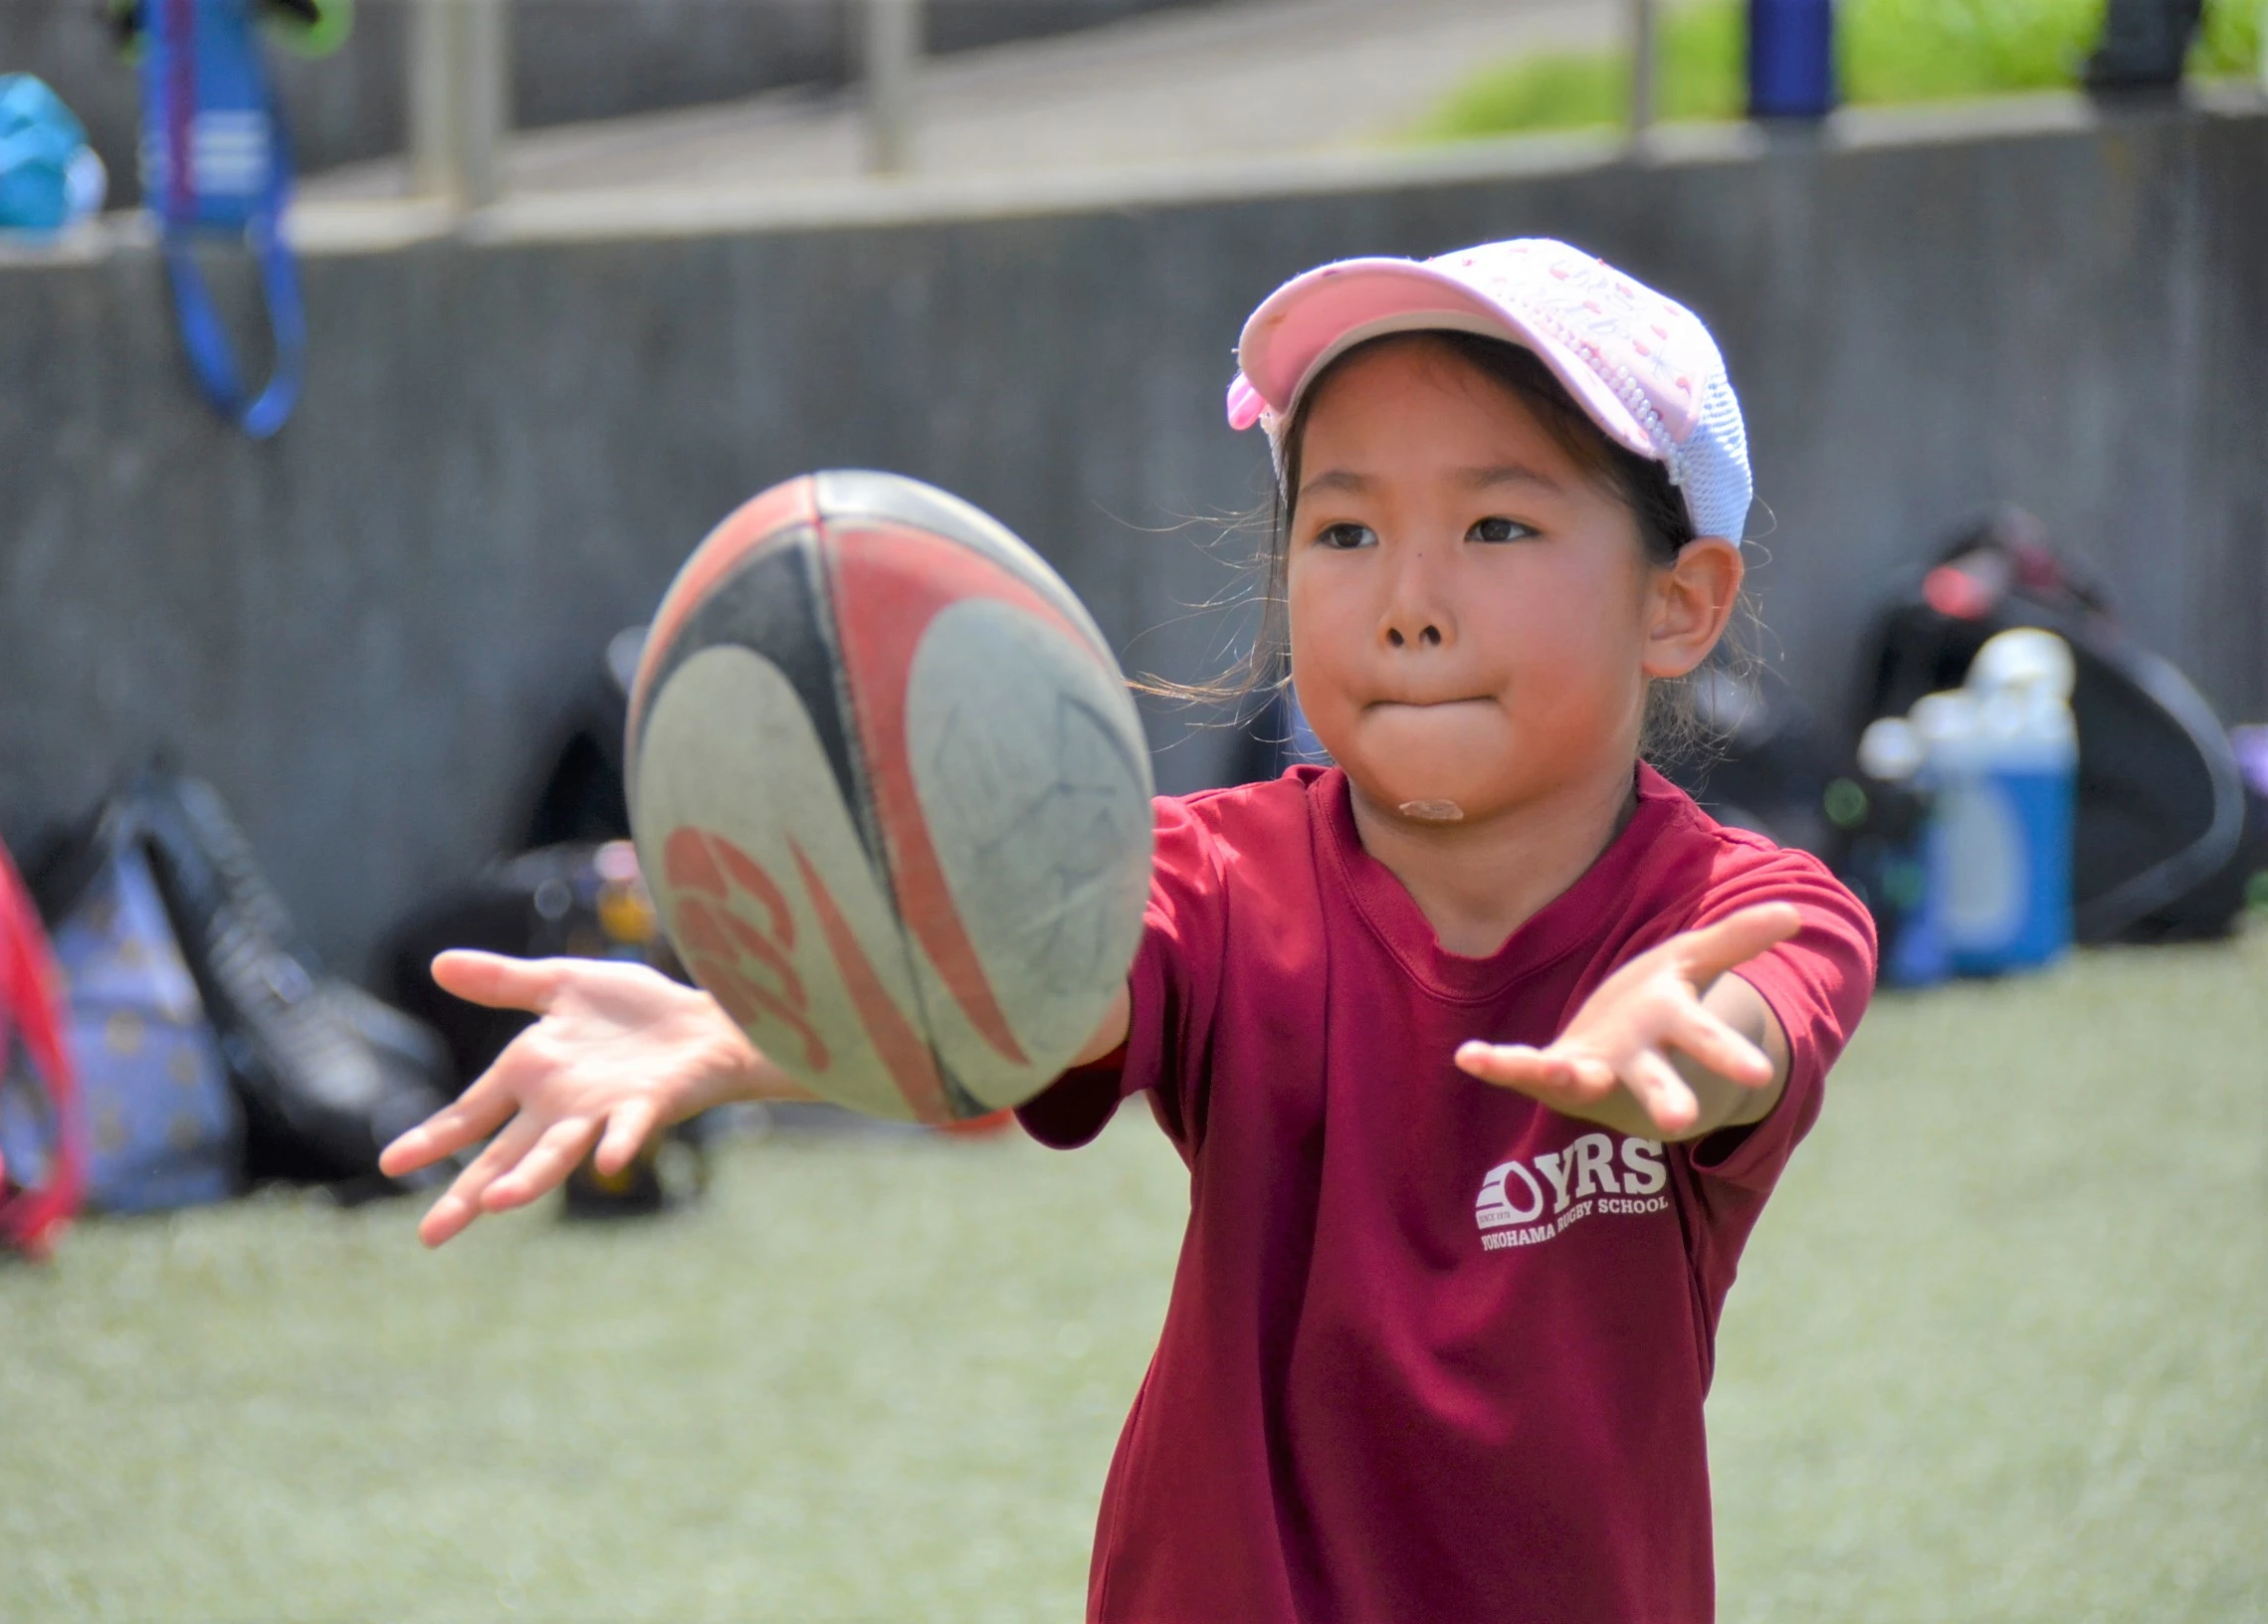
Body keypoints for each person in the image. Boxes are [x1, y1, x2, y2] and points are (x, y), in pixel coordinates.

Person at [382, 237, 1877, 1622]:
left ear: (1679, 604)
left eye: (1496, 523)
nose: (1409, 601)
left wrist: (1696, 1050)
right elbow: (1034, 975)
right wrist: (752, 1022)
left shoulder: (1734, 919)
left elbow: (1758, 1020)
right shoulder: (1218, 876)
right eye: (1345, 528)